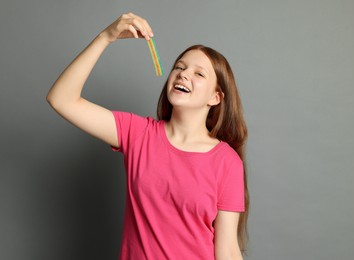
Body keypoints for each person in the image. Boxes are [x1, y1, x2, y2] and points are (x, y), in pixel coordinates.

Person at [47, 12, 249, 260]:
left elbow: (227, 250)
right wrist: (105, 37)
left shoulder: (227, 162)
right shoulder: (137, 133)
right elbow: (61, 99)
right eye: (180, 67)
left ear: (215, 98)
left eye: (199, 73)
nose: (183, 74)